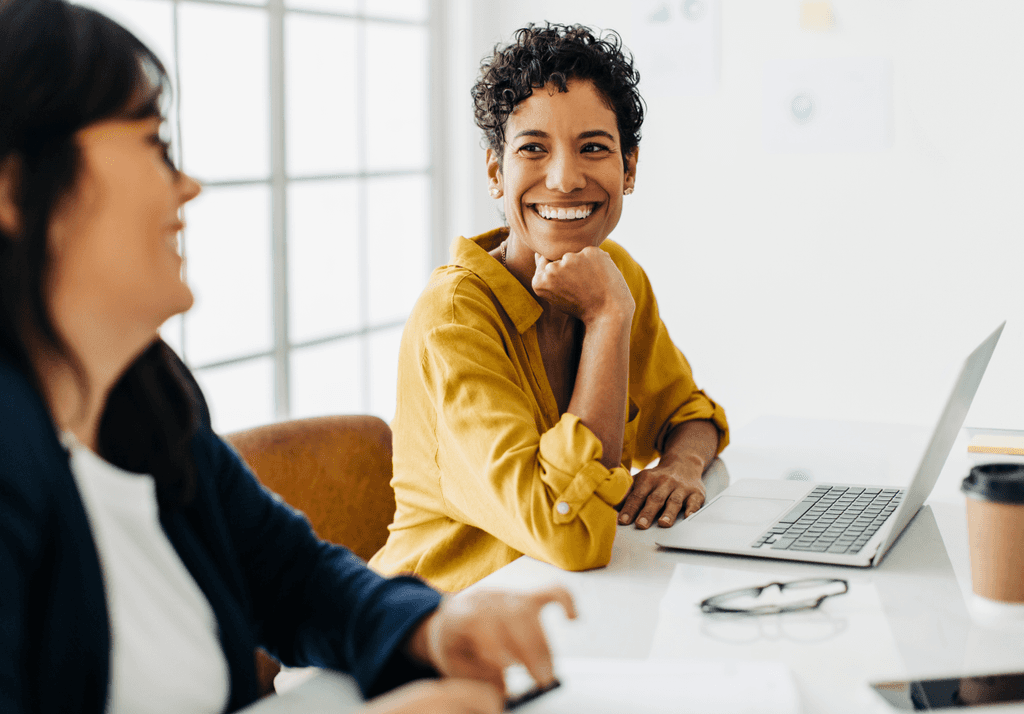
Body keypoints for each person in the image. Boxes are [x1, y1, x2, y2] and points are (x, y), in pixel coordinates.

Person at [0, 2, 574, 713]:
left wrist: (433, 625)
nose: (188, 186)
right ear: (16, 188)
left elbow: (291, 578)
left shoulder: (145, 395)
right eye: (155, 145)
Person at [369, 23, 729, 592]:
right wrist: (608, 320)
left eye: (594, 148)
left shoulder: (617, 273)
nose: (564, 179)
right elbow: (569, 533)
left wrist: (679, 466)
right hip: (442, 623)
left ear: (628, 169)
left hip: (567, 607)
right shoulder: (457, 316)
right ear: (496, 171)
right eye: (533, 148)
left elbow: (689, 413)